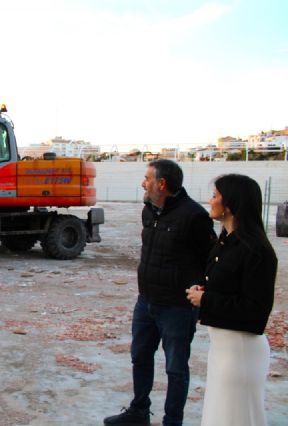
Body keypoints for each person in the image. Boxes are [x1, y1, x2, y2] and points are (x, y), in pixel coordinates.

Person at [104, 159, 216, 426]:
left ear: (162, 184)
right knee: (140, 357)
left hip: (177, 307)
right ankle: (139, 411)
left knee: (175, 368)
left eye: (147, 178)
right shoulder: (149, 210)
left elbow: (210, 259)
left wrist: (200, 293)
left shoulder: (193, 216)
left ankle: (172, 422)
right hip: (146, 302)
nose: (143, 183)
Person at [186, 174, 277, 426]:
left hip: (241, 351)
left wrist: (206, 300)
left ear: (230, 204)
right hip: (223, 349)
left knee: (235, 417)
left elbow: (256, 311)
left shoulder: (256, 250)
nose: (209, 200)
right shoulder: (225, 243)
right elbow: (229, 287)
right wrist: (205, 289)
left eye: (215, 196)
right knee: (220, 415)